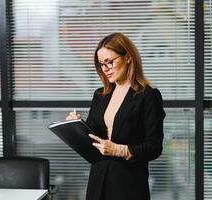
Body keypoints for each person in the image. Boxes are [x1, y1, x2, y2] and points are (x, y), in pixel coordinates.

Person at [66, 32, 165, 200]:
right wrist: (77, 126)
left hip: (128, 185)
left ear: (127, 57)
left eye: (109, 62)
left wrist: (119, 150)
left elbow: (154, 147)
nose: (105, 69)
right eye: (101, 64)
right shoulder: (100, 95)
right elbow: (92, 139)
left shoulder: (148, 96)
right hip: (98, 181)